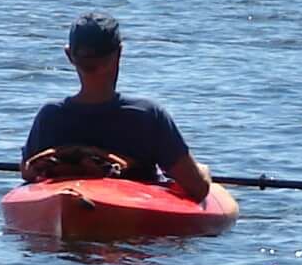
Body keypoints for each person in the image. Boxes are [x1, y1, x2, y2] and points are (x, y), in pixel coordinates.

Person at [23, 11, 216, 202]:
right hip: (132, 223)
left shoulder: (50, 116)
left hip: (70, 207)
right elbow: (197, 188)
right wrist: (203, 171)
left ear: (69, 55)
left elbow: (27, 171)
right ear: (119, 52)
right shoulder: (147, 115)